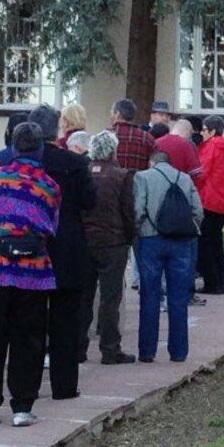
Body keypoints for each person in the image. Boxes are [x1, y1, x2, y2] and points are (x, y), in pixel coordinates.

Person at [0, 121, 60, 428]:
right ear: (40, 149)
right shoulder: (50, 186)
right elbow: (52, 225)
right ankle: (23, 406)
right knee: (29, 338)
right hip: (32, 271)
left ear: (13, 147)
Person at [29, 103, 96, 401]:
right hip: (67, 244)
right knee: (66, 319)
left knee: (30, 319)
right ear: (56, 129)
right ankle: (64, 384)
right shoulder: (74, 162)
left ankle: (28, 383)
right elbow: (89, 201)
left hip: (33, 245)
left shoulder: (20, 163)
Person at [133, 150, 203, 362]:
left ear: (151, 162)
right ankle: (179, 352)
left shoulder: (142, 177)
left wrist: (138, 232)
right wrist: (190, 230)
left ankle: (147, 351)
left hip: (151, 240)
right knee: (179, 297)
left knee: (150, 295)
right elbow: (197, 211)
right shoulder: (185, 178)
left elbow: (138, 210)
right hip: (180, 241)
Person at [79, 131, 136, 365]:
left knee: (83, 297)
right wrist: (130, 238)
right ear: (113, 151)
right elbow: (128, 212)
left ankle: (78, 348)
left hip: (84, 241)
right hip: (112, 242)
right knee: (110, 298)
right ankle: (110, 348)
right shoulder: (122, 176)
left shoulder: (83, 172)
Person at [195, 115, 224, 294]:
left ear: (212, 131)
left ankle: (211, 282)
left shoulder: (211, 147)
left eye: (204, 130)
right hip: (220, 199)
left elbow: (201, 172)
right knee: (216, 243)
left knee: (206, 244)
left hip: (207, 198)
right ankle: (220, 282)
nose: (202, 133)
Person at [110, 99, 156, 172]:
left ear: (117, 114)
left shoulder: (104, 136)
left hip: (111, 178)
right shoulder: (147, 139)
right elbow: (153, 166)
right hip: (138, 178)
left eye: (112, 112)